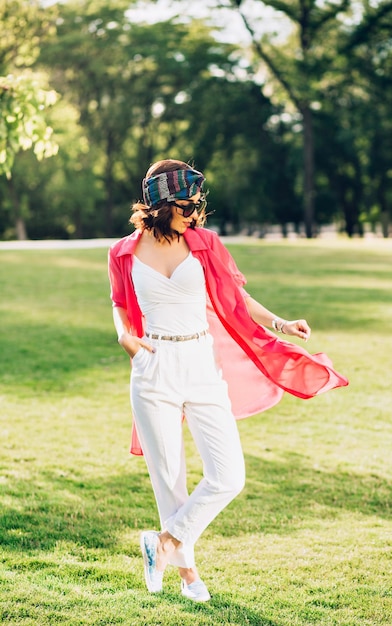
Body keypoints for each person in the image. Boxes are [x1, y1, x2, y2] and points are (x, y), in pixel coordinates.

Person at [108, 159, 348, 602]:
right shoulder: (123, 252)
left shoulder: (204, 244)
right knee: (169, 479)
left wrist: (282, 323)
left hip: (200, 362)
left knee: (228, 475)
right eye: (184, 204)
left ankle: (162, 543)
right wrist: (125, 336)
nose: (193, 212)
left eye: (196, 205)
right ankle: (188, 577)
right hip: (153, 366)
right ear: (161, 203)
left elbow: (238, 297)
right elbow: (120, 303)